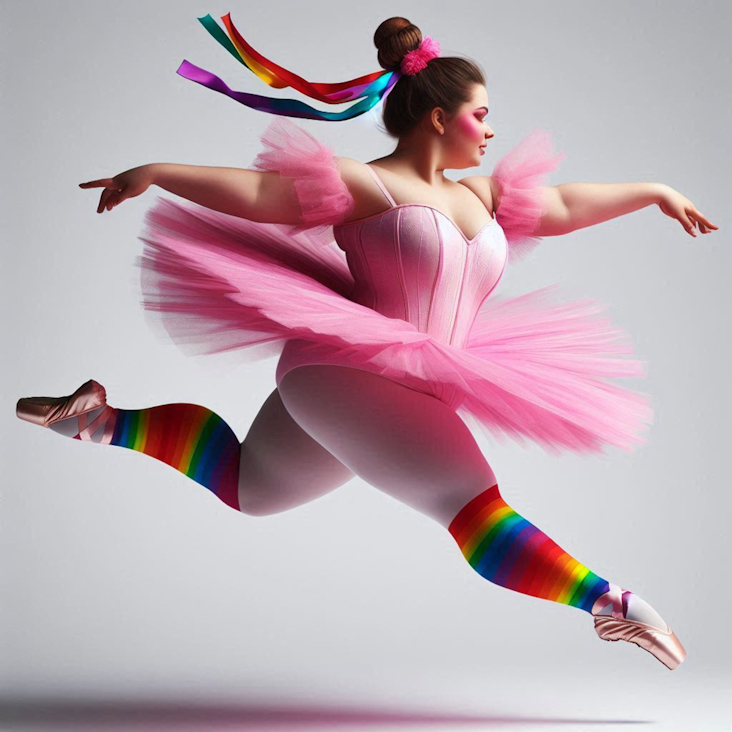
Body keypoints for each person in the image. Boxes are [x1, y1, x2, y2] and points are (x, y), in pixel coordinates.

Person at [16, 15, 718, 671]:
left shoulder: (484, 197)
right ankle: (612, 602)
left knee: (251, 487)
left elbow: (564, 206)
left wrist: (654, 190)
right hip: (352, 372)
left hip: (384, 381)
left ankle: (99, 422)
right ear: (439, 118)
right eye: (481, 114)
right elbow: (260, 195)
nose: (491, 130)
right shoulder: (366, 185)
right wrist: (159, 172)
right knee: (473, 508)